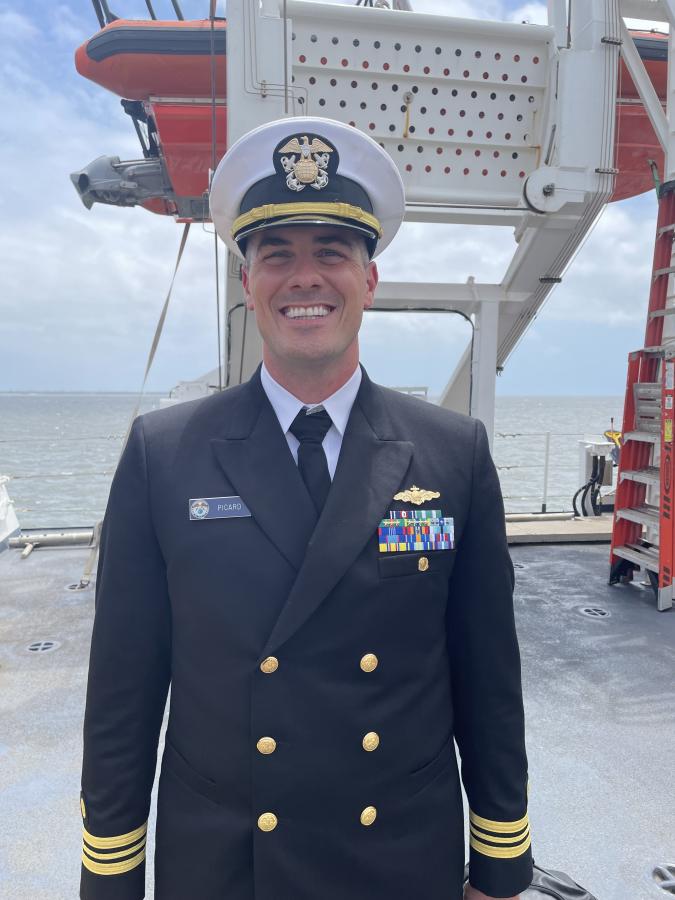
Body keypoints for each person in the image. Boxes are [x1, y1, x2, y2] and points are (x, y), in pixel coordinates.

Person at [79, 116, 532, 900]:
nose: (305, 277)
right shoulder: (164, 453)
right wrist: (112, 875)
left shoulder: (453, 452)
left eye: (332, 252)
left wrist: (498, 859)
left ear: (369, 280)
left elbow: (485, 673)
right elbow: (124, 686)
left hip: (396, 850)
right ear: (247, 283)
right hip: (228, 862)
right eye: (276, 255)